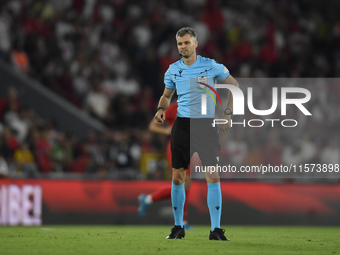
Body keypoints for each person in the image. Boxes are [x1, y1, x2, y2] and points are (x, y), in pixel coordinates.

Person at [154, 27, 239, 240]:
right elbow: (166, 96)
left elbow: (235, 86)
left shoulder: (211, 66)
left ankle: (216, 230)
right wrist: (161, 109)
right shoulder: (173, 70)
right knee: (177, 177)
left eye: (186, 42)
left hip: (205, 126)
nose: (183, 46)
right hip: (182, 126)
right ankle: (177, 227)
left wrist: (228, 113)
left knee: (213, 175)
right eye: (180, 43)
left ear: (195, 43)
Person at [138, 102, 194, 230]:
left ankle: (147, 199)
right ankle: (182, 222)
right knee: (182, 182)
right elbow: (153, 126)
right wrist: (167, 130)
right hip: (175, 146)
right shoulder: (174, 107)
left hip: (189, 147)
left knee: (186, 184)